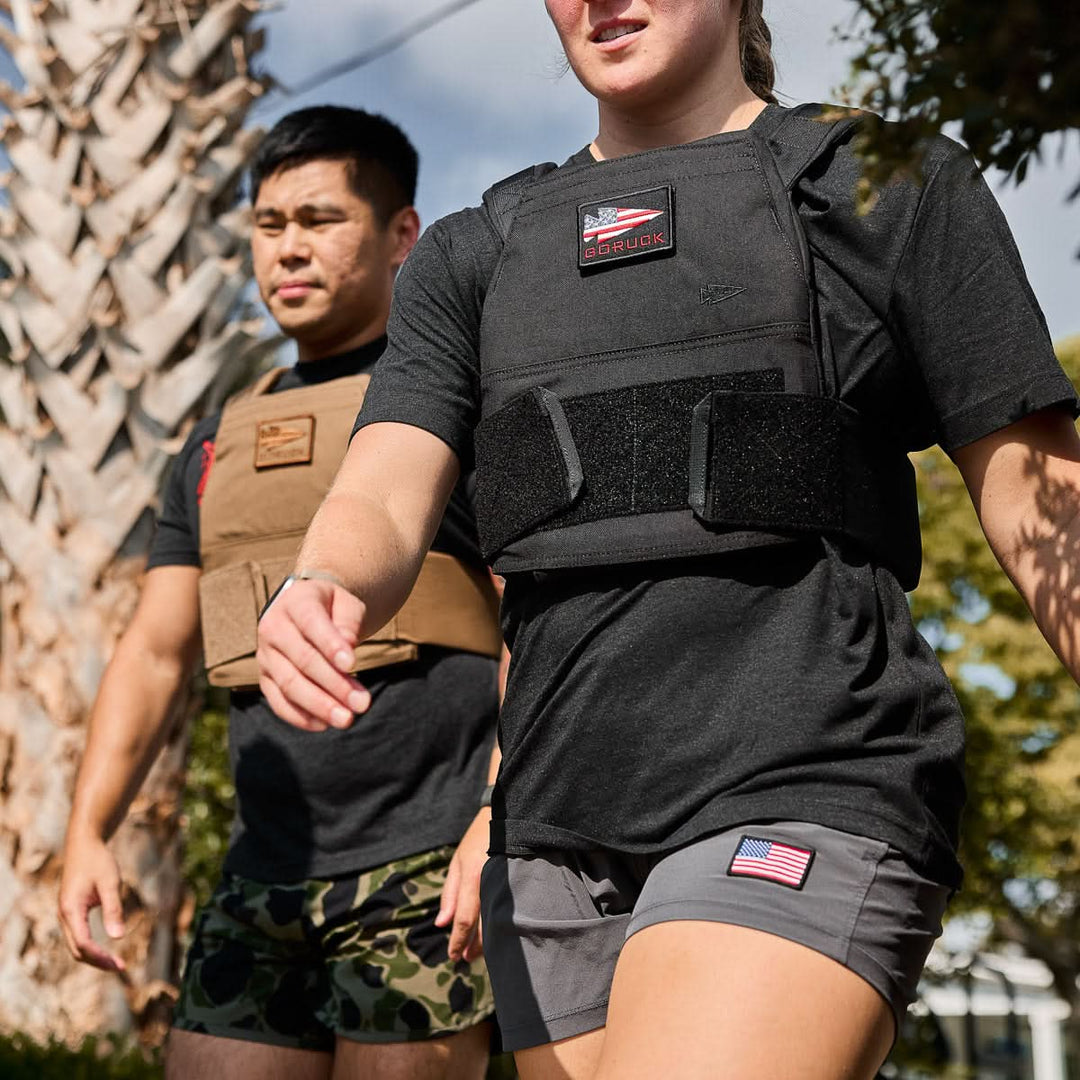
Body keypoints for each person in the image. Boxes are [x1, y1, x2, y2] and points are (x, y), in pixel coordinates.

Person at [255, 4, 1080, 1079]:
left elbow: (1040, 500)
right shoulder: (476, 253)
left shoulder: (883, 182)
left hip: (806, 777)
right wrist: (324, 580)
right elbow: (382, 490)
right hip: (548, 835)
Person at [58, 106, 503, 1080]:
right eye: (268, 227)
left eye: (319, 220)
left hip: (427, 871)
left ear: (401, 236)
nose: (288, 251)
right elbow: (156, 650)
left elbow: (541, 622)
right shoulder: (218, 442)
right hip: (263, 874)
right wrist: (89, 830)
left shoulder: (454, 411)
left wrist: (495, 821)